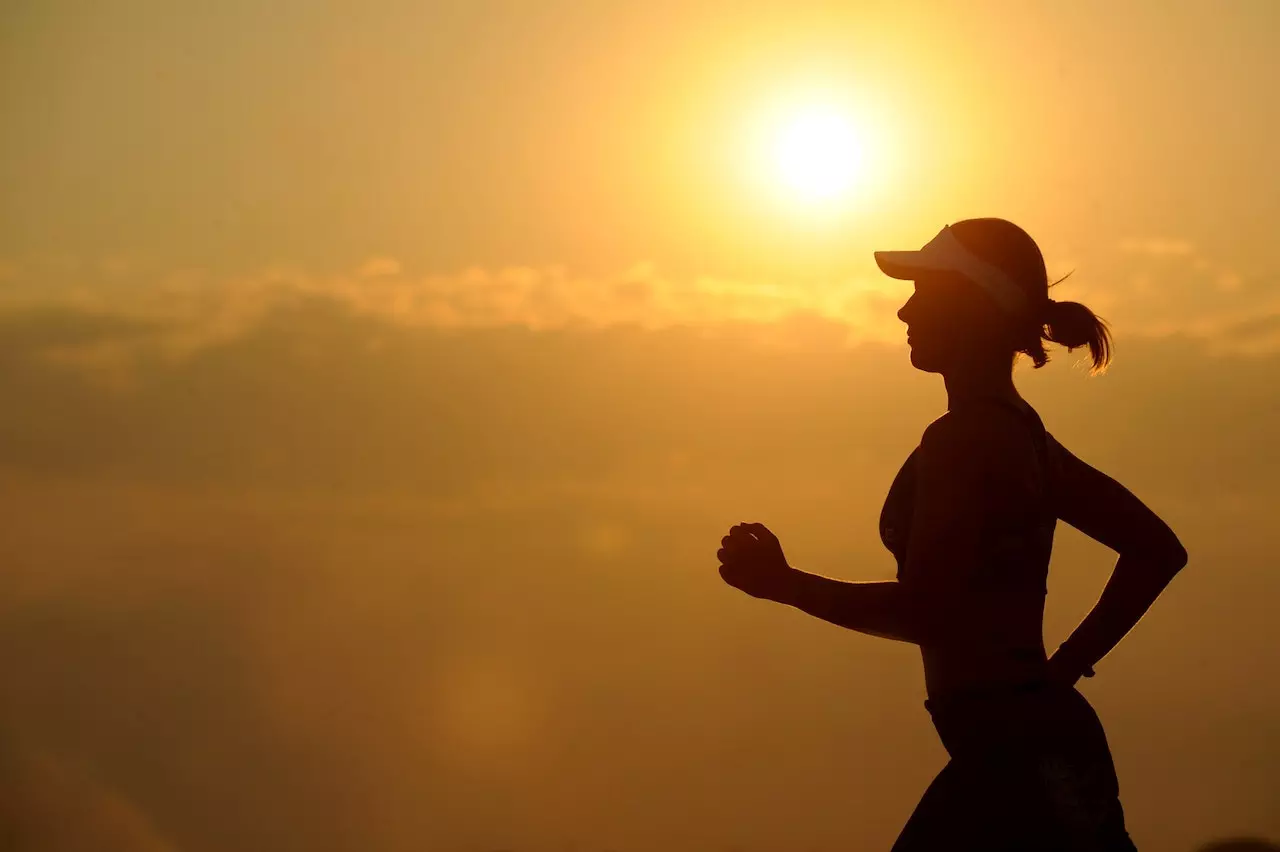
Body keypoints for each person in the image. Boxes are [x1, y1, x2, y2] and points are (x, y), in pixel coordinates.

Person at [716, 218, 1188, 850]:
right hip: (1032, 747)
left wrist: (785, 584)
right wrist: (1064, 668)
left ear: (974, 307)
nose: (903, 311)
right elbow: (1157, 550)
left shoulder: (965, 440)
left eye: (924, 292)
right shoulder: (1023, 436)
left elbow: (929, 612)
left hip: (1014, 760)